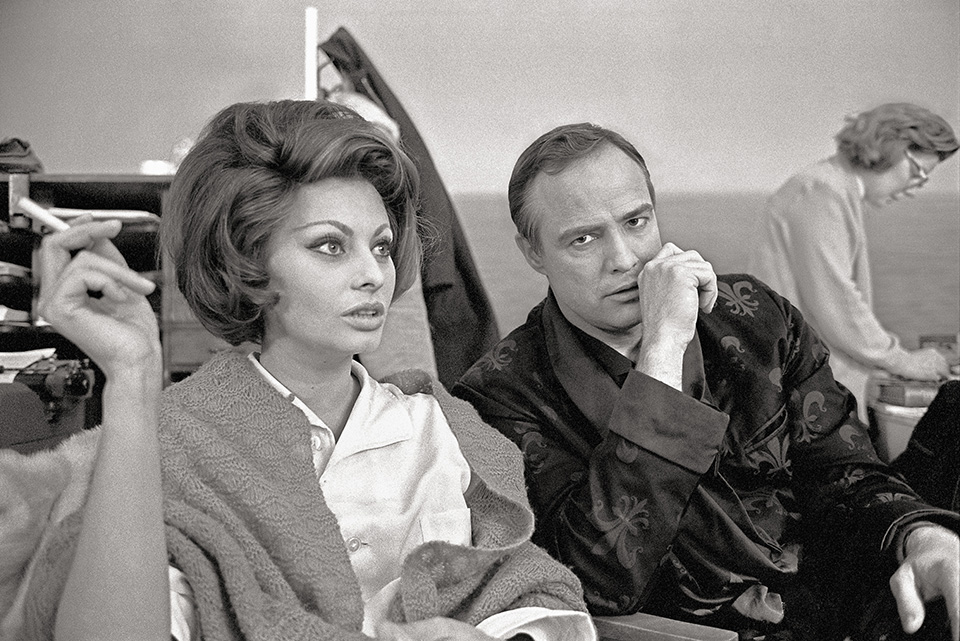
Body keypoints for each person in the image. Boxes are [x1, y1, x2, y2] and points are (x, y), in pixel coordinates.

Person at [20, 100, 593, 641]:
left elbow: (531, 597)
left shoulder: (442, 432)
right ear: (247, 264)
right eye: (330, 247)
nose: (373, 274)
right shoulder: (166, 444)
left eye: (382, 246)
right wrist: (131, 373)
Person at [452, 123, 960, 640]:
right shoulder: (498, 395)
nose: (625, 260)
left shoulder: (758, 317)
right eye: (583, 239)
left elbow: (846, 473)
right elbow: (599, 577)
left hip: (846, 610)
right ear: (532, 252)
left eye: (635, 221)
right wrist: (663, 350)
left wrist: (920, 535)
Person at [750, 103, 958, 421]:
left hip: (805, 382)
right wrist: (903, 360)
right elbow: (836, 301)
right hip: (806, 394)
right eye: (918, 173)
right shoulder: (821, 191)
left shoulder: (831, 188)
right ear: (892, 149)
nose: (915, 188)